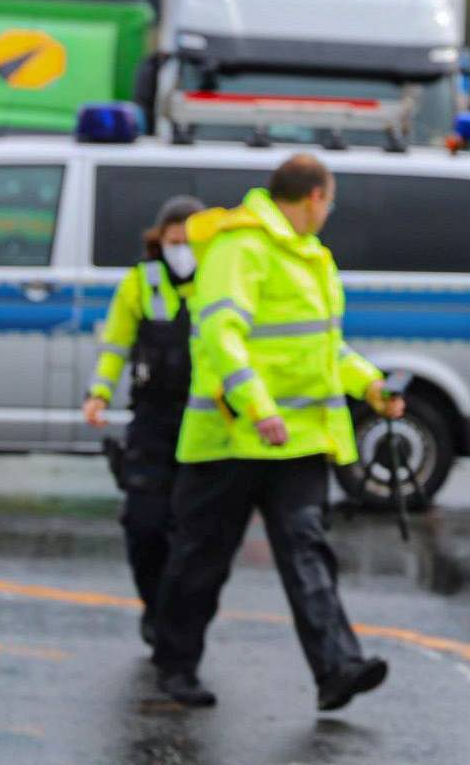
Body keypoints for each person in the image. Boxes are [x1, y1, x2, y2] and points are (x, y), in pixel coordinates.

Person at [149, 153, 403, 711]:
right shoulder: (241, 246)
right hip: (230, 437)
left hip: (297, 440)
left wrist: (370, 386)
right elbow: (221, 334)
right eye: (329, 201)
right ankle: (174, 665)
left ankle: (337, 668)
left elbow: (321, 349)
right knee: (201, 559)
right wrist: (258, 407)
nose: (328, 211)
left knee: (308, 552)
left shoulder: (309, 256)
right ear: (314, 197)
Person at [83, 194, 205, 645]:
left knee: (193, 534)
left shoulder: (220, 282)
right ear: (160, 240)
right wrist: (98, 394)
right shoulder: (140, 283)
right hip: (153, 421)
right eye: (175, 241)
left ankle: (177, 623)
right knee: (144, 524)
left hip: (205, 422)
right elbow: (115, 346)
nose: (183, 251)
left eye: (190, 242)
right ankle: (155, 607)